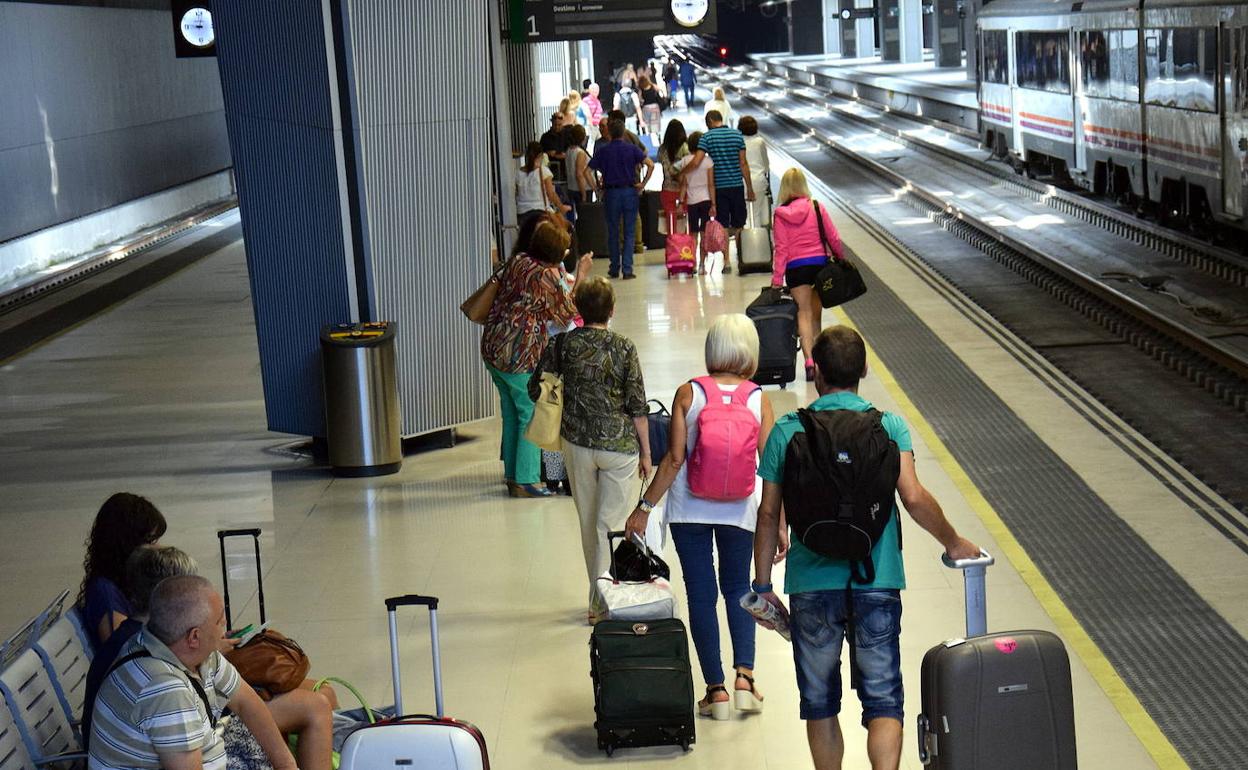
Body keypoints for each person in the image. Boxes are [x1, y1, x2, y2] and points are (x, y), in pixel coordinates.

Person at [751, 326, 980, 770]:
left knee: (819, 702)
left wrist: (762, 585)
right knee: (883, 701)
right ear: (864, 370)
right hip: (876, 578)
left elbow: (767, 514)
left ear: (815, 373)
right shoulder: (888, 426)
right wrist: (954, 542)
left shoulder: (787, 430)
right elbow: (912, 497)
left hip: (811, 584)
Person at [624, 314, 777, 721]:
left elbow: (674, 460)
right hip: (741, 509)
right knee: (737, 587)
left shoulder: (689, 393)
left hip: (690, 509)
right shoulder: (758, 398)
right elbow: (772, 466)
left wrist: (644, 508)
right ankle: (745, 677)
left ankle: (716, 692)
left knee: (701, 595)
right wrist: (779, 521)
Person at [82, 546, 336, 770]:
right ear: (194, 637)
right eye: (218, 620)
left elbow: (248, 703)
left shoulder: (178, 648)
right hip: (197, 755)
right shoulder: (165, 690)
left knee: (304, 719)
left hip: (206, 746)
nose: (225, 624)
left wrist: (287, 766)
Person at [529, 277, 650, 623]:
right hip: (619, 447)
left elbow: (534, 388)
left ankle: (597, 598)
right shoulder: (624, 347)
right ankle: (602, 601)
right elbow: (637, 405)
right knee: (608, 524)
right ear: (612, 310)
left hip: (577, 442)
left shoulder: (562, 344)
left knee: (587, 524)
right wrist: (646, 452)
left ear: (577, 310)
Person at [482, 221, 591, 498]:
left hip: (494, 345)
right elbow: (569, 313)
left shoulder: (518, 261)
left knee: (510, 410)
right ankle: (526, 480)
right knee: (528, 414)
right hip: (518, 353)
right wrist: (581, 276)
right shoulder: (546, 276)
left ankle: (512, 473)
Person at [771, 167, 844, 381]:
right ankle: (821, 362)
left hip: (796, 268)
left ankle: (809, 361)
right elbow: (834, 238)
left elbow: (781, 250)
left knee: (803, 313)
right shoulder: (816, 207)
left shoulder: (780, 214)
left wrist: (777, 280)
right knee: (816, 315)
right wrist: (840, 257)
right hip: (819, 266)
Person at [77, 492, 168, 650]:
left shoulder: (120, 581)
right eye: (150, 540)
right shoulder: (106, 593)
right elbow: (124, 652)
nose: (157, 548)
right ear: (128, 543)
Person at [683, 110, 753, 273]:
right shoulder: (737, 135)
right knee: (739, 225)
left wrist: (681, 172)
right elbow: (743, 163)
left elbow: (697, 161)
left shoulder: (707, 138)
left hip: (720, 188)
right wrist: (749, 187)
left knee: (723, 225)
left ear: (709, 122)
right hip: (736, 185)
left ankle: (727, 261)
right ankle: (742, 260)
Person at [588, 117, 654, 279]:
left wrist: (597, 188)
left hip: (611, 193)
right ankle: (627, 269)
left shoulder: (603, 151)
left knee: (613, 231)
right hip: (629, 192)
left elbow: (586, 171)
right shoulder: (631, 149)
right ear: (623, 131)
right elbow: (650, 164)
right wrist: (642, 184)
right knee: (629, 231)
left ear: (609, 132)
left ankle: (614, 267)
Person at [678, 131, 716, 274]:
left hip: (692, 202)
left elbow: (684, 185)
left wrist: (680, 202)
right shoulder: (708, 161)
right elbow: (711, 184)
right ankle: (702, 266)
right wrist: (714, 204)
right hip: (706, 200)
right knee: (704, 234)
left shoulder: (685, 161)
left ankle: (692, 263)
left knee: (693, 235)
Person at [515, 141, 568, 230]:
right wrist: (561, 207)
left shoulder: (517, 173)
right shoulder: (544, 171)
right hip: (540, 212)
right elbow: (551, 195)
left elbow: (516, 194)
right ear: (541, 156)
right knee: (561, 230)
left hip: (521, 214)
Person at [740, 115, 772, 224]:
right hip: (759, 181)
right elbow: (766, 165)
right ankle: (758, 239)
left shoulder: (739, 142)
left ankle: (746, 239)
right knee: (756, 213)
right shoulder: (760, 142)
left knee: (745, 214)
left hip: (742, 182)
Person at [564, 124, 593, 205]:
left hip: (571, 187)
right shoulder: (580, 153)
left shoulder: (568, 151)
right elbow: (579, 174)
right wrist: (583, 193)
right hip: (582, 188)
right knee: (585, 215)